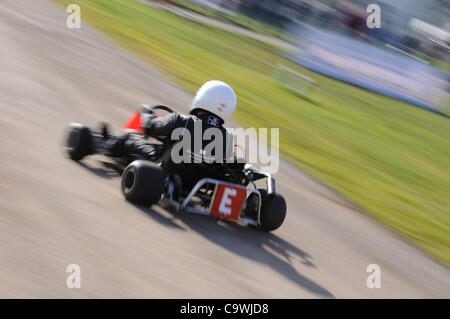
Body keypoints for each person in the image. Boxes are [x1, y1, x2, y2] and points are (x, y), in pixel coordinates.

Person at [108, 80, 238, 186]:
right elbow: (224, 166)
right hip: (196, 183)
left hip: (163, 170)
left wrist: (146, 112)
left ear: (203, 97)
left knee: (130, 135)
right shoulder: (227, 138)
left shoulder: (180, 121)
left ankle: (108, 146)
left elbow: (151, 127)